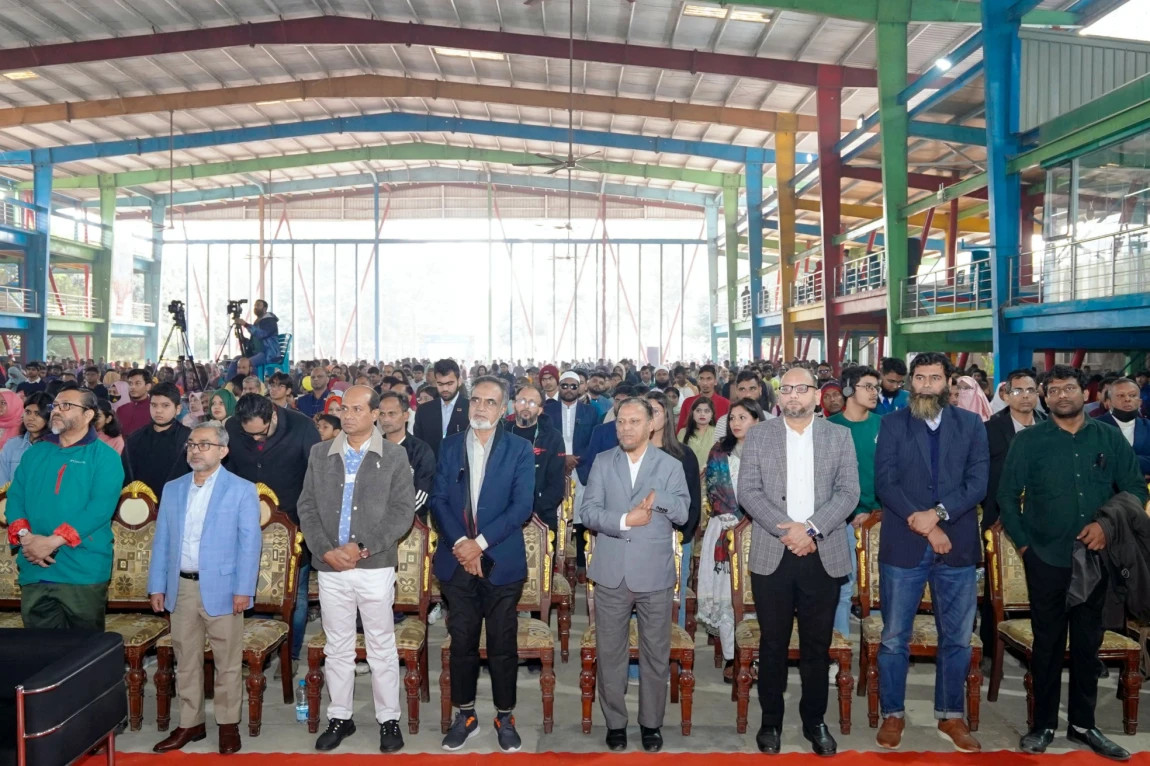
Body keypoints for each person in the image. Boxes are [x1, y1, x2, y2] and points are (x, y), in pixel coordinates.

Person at [999, 364, 1147, 761]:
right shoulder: (1029, 441)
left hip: (1097, 558)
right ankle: (1042, 724)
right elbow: (1007, 497)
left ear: (1087, 394)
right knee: (1047, 644)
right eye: (1054, 390)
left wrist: (1106, 527)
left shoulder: (1108, 438)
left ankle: (1083, 724)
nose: (1062, 395)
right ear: (1045, 398)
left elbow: (1135, 489)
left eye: (1069, 388)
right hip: (1045, 557)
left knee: (1087, 644)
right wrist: (1026, 547)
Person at [738, 368, 859, 756]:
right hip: (774, 552)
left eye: (801, 389)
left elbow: (848, 492)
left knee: (816, 646)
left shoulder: (838, 436)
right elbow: (748, 492)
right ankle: (770, 721)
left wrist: (811, 530)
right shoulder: (760, 435)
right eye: (786, 389)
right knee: (773, 643)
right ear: (779, 397)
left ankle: (814, 721)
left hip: (822, 553)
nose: (793, 395)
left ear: (816, 395)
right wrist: (787, 530)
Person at [873, 352, 988, 753]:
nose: (925, 385)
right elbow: (886, 484)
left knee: (957, 637)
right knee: (894, 637)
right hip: (904, 544)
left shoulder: (971, 424)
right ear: (910, 383)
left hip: (956, 544)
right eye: (919, 378)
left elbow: (977, 483)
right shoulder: (892, 424)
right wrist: (925, 524)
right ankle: (893, 713)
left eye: (934, 378)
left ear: (948, 383)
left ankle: (950, 715)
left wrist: (937, 516)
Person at [297, 386, 416, 753]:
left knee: (381, 644)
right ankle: (340, 717)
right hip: (330, 565)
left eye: (356, 409)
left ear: (375, 414)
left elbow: (402, 512)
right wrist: (324, 550)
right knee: (338, 645)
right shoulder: (320, 453)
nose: (347, 416)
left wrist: (361, 547)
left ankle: (388, 719)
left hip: (373, 565)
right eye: (343, 409)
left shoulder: (394, 456)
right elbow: (307, 506)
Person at [431, 376, 534, 753]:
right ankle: (466, 715)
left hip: (501, 561)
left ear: (503, 409)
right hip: (457, 561)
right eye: (476, 400)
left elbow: (521, 507)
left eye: (490, 402)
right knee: (463, 642)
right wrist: (462, 545)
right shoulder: (450, 445)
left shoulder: (519, 449)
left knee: (503, 644)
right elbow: (439, 501)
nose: (481, 407)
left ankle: (505, 716)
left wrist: (480, 545)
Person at [581, 397, 689, 753]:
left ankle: (651, 723)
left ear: (651, 425)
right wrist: (625, 520)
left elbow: (684, 513)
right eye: (620, 422)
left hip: (654, 573)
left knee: (655, 654)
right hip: (611, 572)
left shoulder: (670, 465)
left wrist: (659, 498)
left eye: (634, 421)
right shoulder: (603, 462)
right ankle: (615, 723)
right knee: (610, 653)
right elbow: (589, 512)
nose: (625, 428)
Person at [148, 422, 261, 755]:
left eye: (204, 444)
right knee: (186, 659)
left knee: (228, 661)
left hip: (225, 588)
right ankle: (190, 723)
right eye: (192, 444)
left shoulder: (241, 489)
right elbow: (162, 540)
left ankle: (228, 724)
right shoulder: (173, 488)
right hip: (180, 587)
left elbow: (250, 544)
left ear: (223, 451)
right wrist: (157, 585)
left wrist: (244, 589)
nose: (195, 450)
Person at [5, 386, 124, 630]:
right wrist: (27, 539)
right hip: (35, 565)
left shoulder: (105, 457)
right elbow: (15, 498)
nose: (57, 411)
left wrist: (52, 542)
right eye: (55, 406)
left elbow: (99, 510)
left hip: (82, 569)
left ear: (88, 414)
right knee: (40, 649)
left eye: (66, 406)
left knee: (84, 650)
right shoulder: (36, 452)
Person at [225, 393, 321, 671]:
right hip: (246, 525)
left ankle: (291, 654)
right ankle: (258, 650)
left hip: (292, 524)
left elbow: (315, 477)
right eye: (250, 434)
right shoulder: (231, 427)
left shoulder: (302, 427)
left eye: (261, 433)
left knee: (295, 594)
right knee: (250, 589)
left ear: (273, 415)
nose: (256, 439)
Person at [979, 368, 1044, 651]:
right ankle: (991, 647)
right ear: (1006, 395)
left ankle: (1038, 642)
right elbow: (980, 475)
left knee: (1042, 583)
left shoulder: (1050, 426)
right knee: (996, 585)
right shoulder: (990, 429)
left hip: (1042, 518)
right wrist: (995, 510)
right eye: (1018, 391)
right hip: (998, 517)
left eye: (1030, 390)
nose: (1025, 396)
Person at [701, 398, 766, 679]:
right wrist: (736, 523)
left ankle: (757, 657)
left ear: (757, 420)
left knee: (760, 597)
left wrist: (754, 521)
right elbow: (714, 490)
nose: (736, 423)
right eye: (732, 418)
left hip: (762, 529)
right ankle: (732, 657)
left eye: (743, 417)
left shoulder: (768, 450)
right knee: (728, 596)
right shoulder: (719, 451)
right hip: (725, 528)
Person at [826, 365, 883, 639]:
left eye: (876, 387)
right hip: (840, 520)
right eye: (868, 387)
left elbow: (892, 474)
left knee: (880, 587)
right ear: (849, 389)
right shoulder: (829, 428)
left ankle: (879, 649)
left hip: (879, 518)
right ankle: (839, 650)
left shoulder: (884, 425)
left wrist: (876, 512)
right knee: (842, 588)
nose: (874, 393)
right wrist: (847, 513)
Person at [645, 389, 701, 630]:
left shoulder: (683, 455)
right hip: (635, 538)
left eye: (654, 411)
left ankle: (671, 651)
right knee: (637, 602)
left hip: (674, 540)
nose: (649, 416)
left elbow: (692, 503)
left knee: (671, 603)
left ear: (667, 416)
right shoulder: (629, 453)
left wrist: (680, 537)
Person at [544, 370, 603, 574]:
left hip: (581, 469)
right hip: (554, 468)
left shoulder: (591, 412)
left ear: (580, 388)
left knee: (581, 516)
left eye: (573, 386)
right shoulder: (547, 410)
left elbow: (594, 442)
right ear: (559, 387)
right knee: (555, 515)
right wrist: (562, 457)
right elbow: (544, 439)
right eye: (565, 385)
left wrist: (575, 459)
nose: (569, 389)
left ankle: (581, 564)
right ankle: (553, 563)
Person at [507, 384, 565, 531]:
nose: (526, 406)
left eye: (532, 403)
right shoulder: (501, 433)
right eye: (522, 401)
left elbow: (556, 485)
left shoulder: (553, 437)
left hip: (540, 515)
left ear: (540, 410)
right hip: (504, 512)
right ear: (514, 405)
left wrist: (532, 510)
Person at [121, 382, 192, 502]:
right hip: (138, 505)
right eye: (154, 405)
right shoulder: (134, 439)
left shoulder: (189, 439)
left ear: (178, 409)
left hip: (176, 504)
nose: (158, 410)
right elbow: (125, 476)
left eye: (165, 405)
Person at [377, 391, 436, 521]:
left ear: (406, 416)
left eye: (392, 413)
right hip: (374, 520)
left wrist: (394, 518)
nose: (385, 419)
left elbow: (422, 494)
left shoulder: (421, 450)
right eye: (382, 414)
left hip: (409, 520)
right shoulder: (372, 448)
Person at [412, 359, 469, 458]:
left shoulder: (470, 408)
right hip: (431, 465)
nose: (445, 389)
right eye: (440, 384)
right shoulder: (424, 411)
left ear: (459, 381)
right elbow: (418, 445)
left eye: (450, 383)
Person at [1097, 377, 1150, 475]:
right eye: (1120, 395)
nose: (1127, 399)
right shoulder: (1094, 427)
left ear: (1140, 402)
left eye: (1132, 395)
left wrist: (1117, 460)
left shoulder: (1148, 426)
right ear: (1108, 402)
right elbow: (1093, 462)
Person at [0, 392, 53, 485]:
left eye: (37, 414)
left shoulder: (55, 448)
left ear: (49, 416)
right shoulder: (12, 445)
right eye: (28, 412)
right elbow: (2, 481)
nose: (30, 418)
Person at [714, 371, 775, 441]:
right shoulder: (723, 423)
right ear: (736, 391)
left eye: (752, 389)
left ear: (760, 390)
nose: (747, 394)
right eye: (742, 389)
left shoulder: (772, 422)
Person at [676, 364, 729, 432]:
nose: (705, 383)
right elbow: (680, 430)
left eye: (709, 379)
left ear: (715, 381)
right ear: (698, 381)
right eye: (701, 378)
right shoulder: (688, 402)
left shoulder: (725, 404)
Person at [232, 299, 281, 371]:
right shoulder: (257, 322)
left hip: (268, 353)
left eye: (258, 305)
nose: (255, 307)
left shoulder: (270, 321)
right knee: (235, 361)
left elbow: (262, 334)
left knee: (245, 364)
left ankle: (254, 378)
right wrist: (243, 339)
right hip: (256, 353)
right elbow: (254, 342)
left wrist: (245, 324)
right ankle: (232, 379)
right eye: (255, 305)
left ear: (264, 309)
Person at [677, 396, 715, 473]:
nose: (702, 414)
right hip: (687, 475)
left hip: (712, 475)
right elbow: (677, 458)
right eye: (698, 410)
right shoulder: (683, 432)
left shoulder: (719, 432)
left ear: (712, 414)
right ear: (692, 413)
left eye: (707, 411)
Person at [118, 368, 154, 436]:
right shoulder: (121, 409)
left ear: (148, 386)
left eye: (137, 383)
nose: (132, 387)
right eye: (130, 383)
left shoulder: (154, 410)